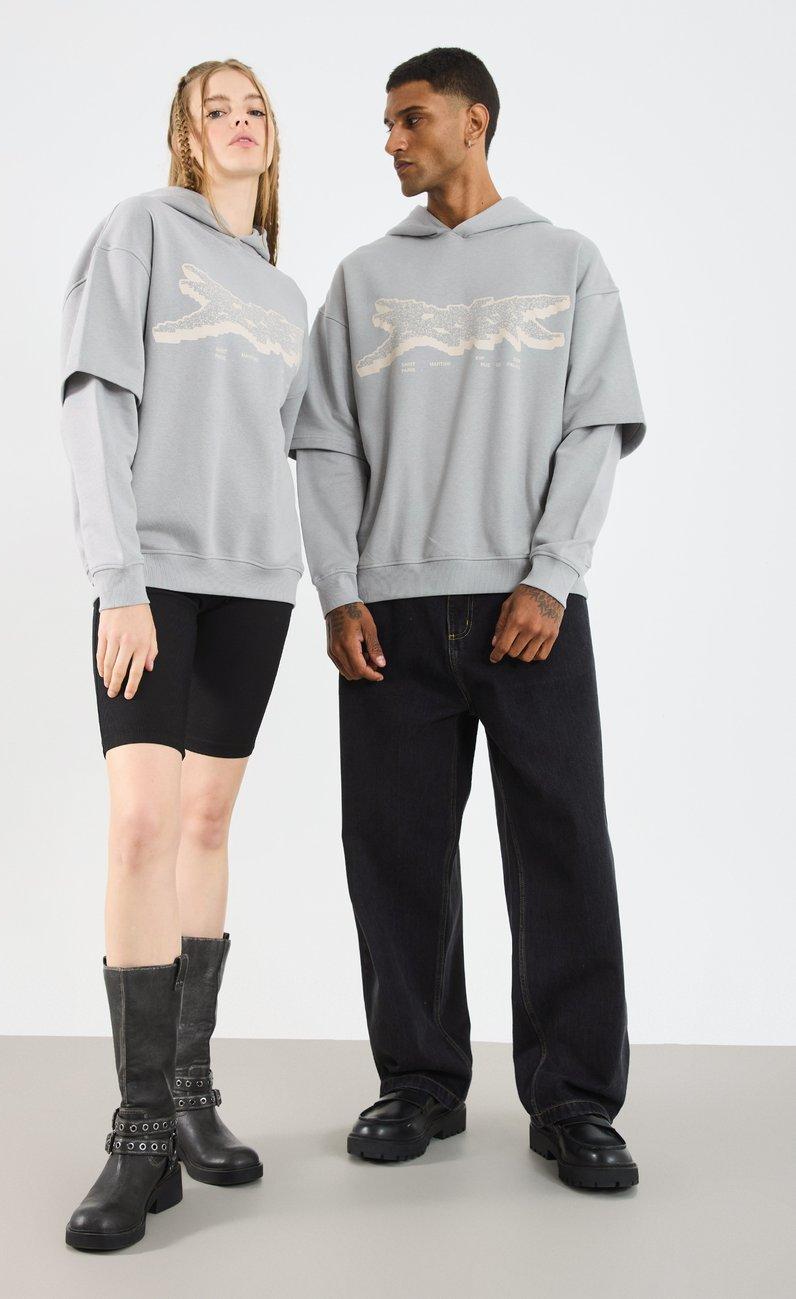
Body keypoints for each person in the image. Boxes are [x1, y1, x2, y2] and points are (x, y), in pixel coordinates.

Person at [292, 46, 645, 1191]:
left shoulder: (566, 260)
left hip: (528, 608)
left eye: (411, 119)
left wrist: (552, 575)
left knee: (562, 852)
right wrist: (338, 589)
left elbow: (595, 426)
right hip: (388, 616)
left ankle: (576, 1102)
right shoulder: (362, 278)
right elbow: (325, 445)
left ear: (474, 120)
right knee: (394, 854)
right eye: (386, 123)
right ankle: (418, 1083)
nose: (391, 141)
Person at [59, 59, 308, 1250]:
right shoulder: (140, 233)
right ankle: (140, 1131)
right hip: (154, 579)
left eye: (255, 106)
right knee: (141, 828)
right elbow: (94, 403)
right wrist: (118, 581)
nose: (240, 120)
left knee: (206, 826)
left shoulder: (286, 293)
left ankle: (193, 1092)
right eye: (218, 108)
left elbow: (302, 452)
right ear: (187, 136)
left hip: (256, 586)